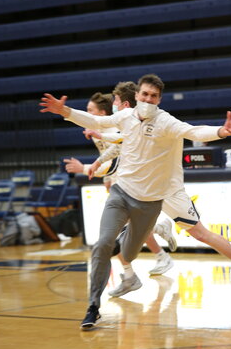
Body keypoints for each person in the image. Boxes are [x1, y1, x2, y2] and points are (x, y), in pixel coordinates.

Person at [40, 74, 231, 329]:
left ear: (159, 99)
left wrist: (221, 131)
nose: (148, 99)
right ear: (136, 96)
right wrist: (66, 112)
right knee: (106, 242)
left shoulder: (166, 122)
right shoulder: (126, 118)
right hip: (129, 191)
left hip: (166, 191)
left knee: (200, 234)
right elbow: (102, 126)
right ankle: (107, 294)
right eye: (145, 94)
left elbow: (193, 130)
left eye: (154, 96)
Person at [65, 83, 177, 282]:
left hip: (131, 179)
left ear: (101, 112)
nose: (87, 113)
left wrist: (85, 168)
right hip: (118, 178)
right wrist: (106, 177)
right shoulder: (99, 129)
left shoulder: (112, 127)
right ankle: (156, 250)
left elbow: (116, 156)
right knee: (128, 226)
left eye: (90, 111)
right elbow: (108, 156)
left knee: (120, 229)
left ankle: (135, 270)